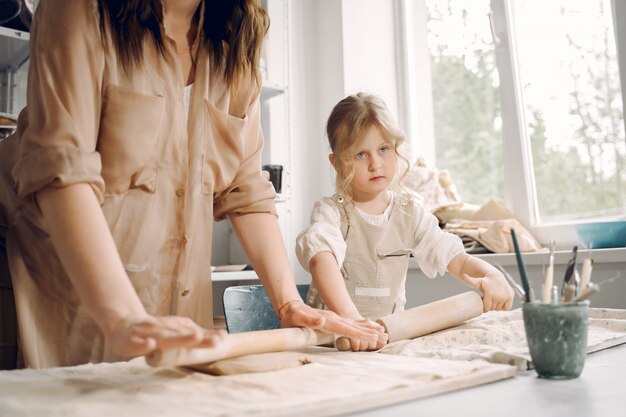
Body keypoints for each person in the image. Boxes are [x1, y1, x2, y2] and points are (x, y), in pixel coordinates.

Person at [0, 0, 382, 369]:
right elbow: (63, 174)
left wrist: (287, 303)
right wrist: (121, 317)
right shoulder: (81, 10)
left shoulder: (235, 40)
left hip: (172, 294)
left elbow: (245, 189)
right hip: (54, 276)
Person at [296, 92, 515, 351]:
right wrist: (352, 321)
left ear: (396, 149)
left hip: (383, 342)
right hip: (329, 344)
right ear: (336, 163)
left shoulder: (410, 213)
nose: (375, 164)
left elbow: (456, 259)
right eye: (360, 155)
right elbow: (322, 261)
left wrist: (492, 275)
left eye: (383, 149)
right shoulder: (331, 213)